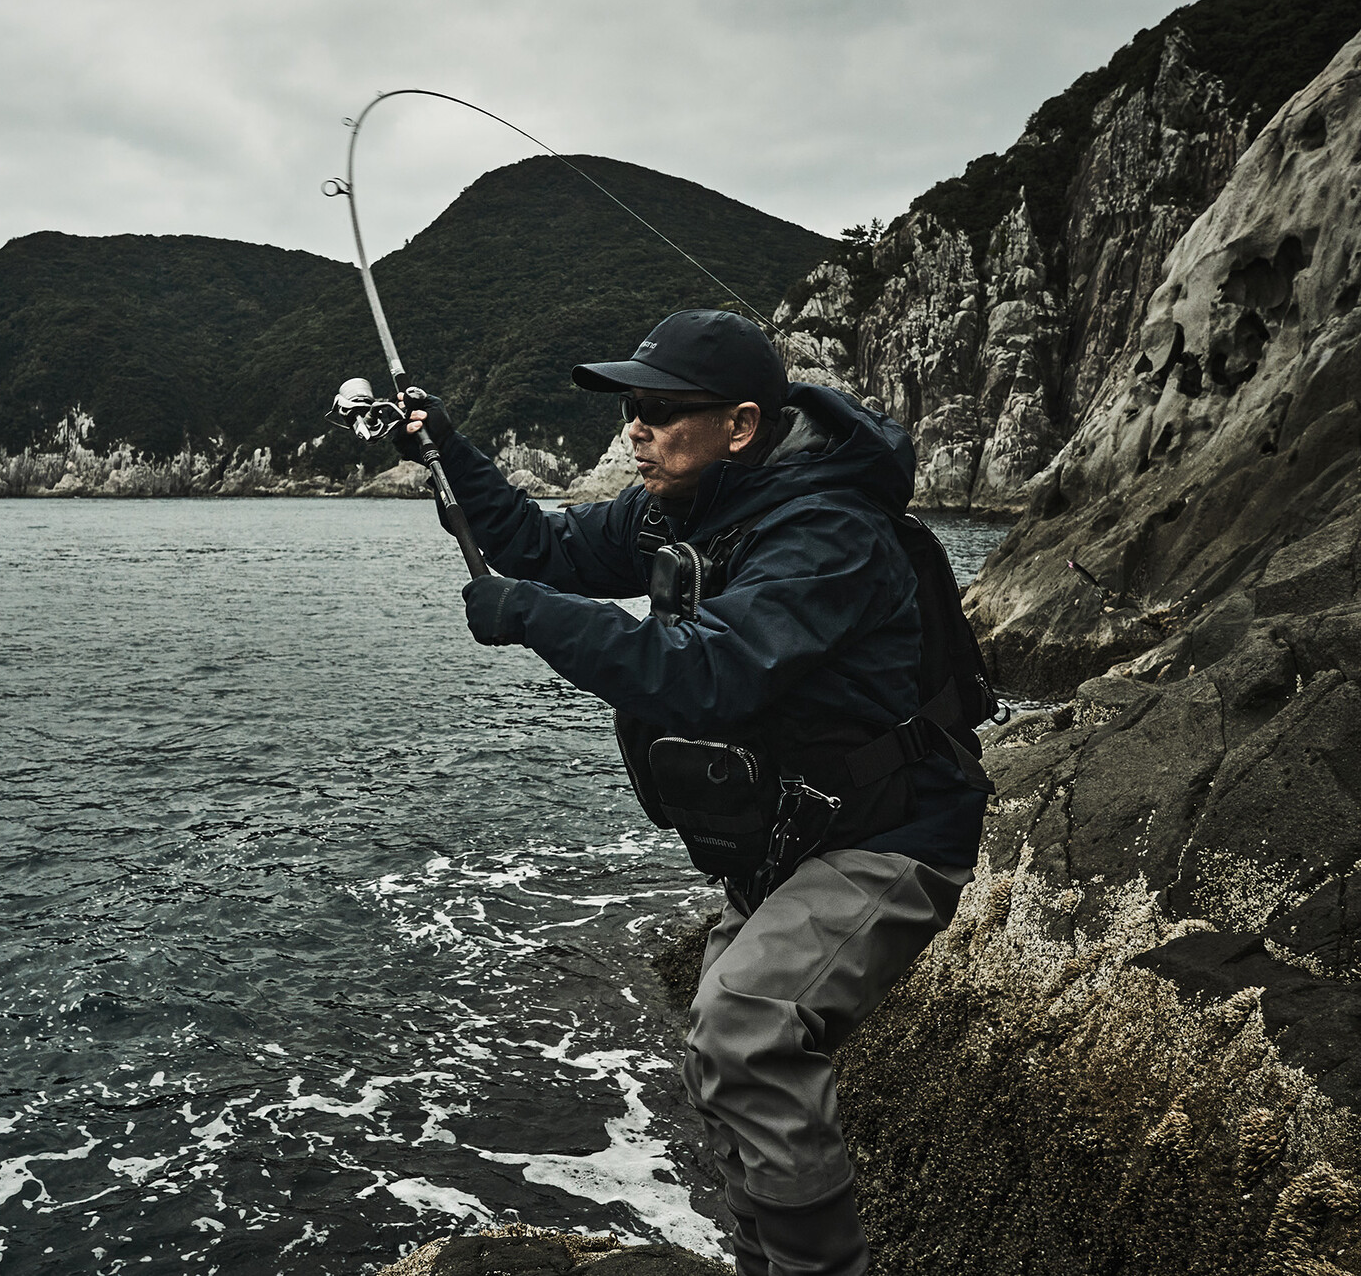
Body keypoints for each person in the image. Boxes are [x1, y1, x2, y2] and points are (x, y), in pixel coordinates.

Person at [393, 309, 989, 1276]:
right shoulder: (683, 502)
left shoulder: (826, 532)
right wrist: (447, 448)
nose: (636, 427)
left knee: (745, 1029)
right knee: (715, 1057)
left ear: (742, 425)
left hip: (895, 834)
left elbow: (709, 672)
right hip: (801, 839)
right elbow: (542, 546)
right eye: (632, 407)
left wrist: (538, 620)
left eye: (661, 410)